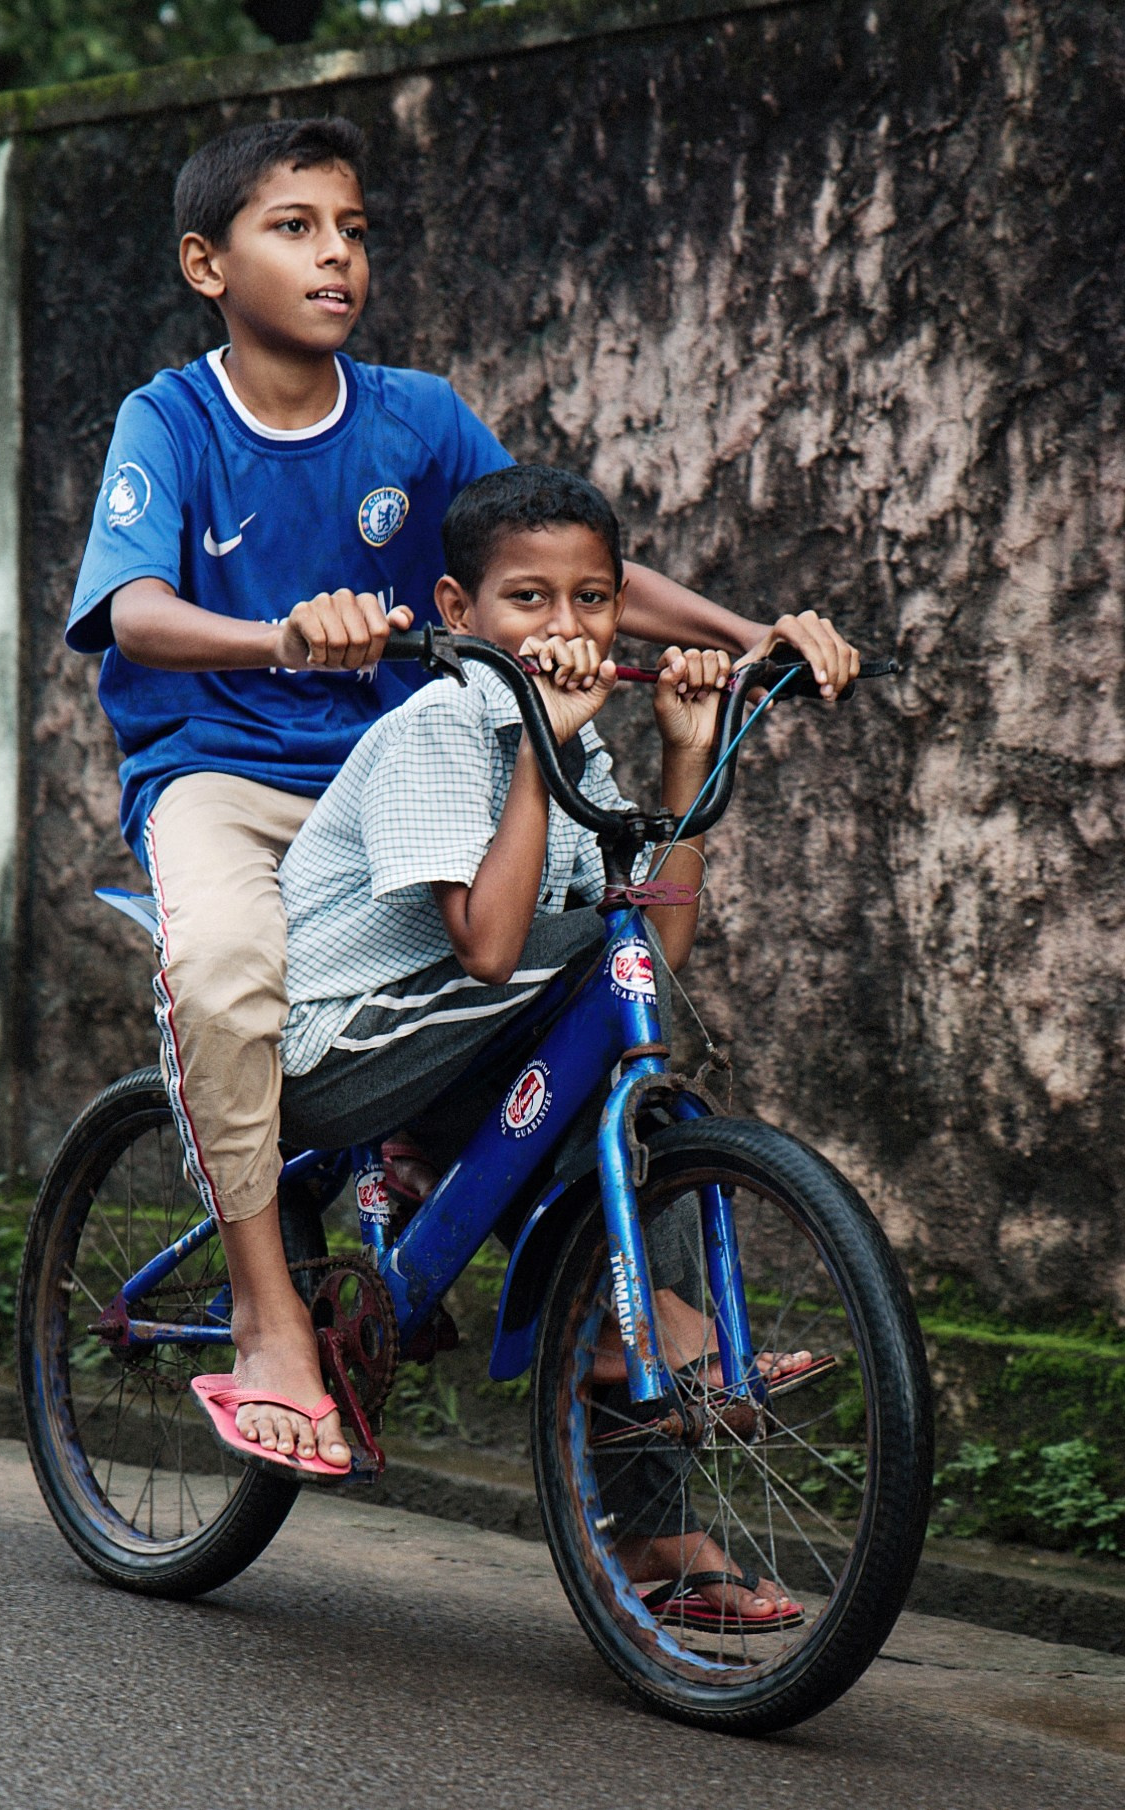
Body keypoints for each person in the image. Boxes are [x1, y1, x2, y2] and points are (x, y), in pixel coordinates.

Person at [64, 114, 859, 1477]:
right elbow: (131, 611)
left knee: (603, 1001)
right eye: (294, 228)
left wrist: (746, 639)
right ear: (209, 264)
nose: (335, 256)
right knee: (224, 977)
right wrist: (280, 636)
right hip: (224, 775)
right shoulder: (173, 420)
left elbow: (563, 555)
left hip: (400, 778)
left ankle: (647, 1509)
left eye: (353, 231)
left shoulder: (417, 417)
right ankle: (266, 1322)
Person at [262, 464, 813, 1630]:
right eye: (530, 602)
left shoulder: (583, 749)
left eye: (593, 600)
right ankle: (622, 1317)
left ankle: (658, 1531)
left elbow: (653, 953)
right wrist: (532, 749)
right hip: (344, 1049)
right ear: (459, 614)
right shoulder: (438, 728)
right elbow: (490, 945)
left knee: (646, 1112)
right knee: (574, 978)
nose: (567, 630)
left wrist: (683, 753)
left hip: (460, 1046)